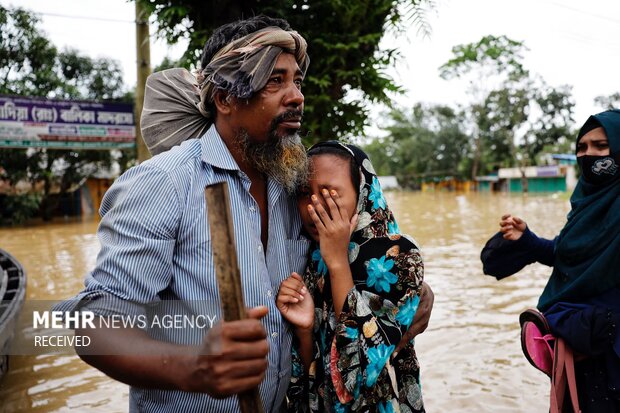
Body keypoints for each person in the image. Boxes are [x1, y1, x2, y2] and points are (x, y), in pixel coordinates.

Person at [55, 15, 434, 413]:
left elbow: (350, 259)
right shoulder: (164, 184)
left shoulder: (293, 186)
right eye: (275, 81)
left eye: (297, 81)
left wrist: (412, 292)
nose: (296, 96)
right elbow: (92, 324)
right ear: (225, 99)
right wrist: (196, 368)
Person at [481, 109, 620, 412]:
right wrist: (528, 238)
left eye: (600, 146)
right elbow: (568, 253)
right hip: (578, 344)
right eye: (581, 148)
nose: (588, 155)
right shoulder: (585, 203)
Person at [277, 141, 426, 412]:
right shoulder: (308, 258)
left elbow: (354, 378)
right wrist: (304, 331)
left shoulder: (399, 257)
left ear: (361, 193)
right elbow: (311, 378)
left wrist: (337, 263)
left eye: (329, 194)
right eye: (303, 193)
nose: (314, 207)